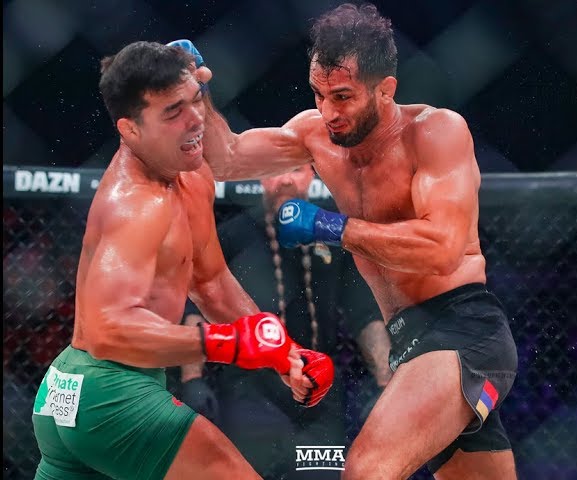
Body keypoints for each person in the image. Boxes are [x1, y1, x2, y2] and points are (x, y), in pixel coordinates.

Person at [175, 3, 519, 478]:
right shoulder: (314, 134)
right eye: (318, 94)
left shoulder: (435, 132)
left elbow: (442, 248)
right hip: (408, 337)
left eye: (342, 97)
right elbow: (226, 158)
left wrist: (330, 226)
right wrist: (197, 94)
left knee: (367, 470)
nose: (328, 112)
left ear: (385, 89)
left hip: (461, 330)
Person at [30, 41, 335, 480]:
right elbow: (106, 330)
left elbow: (211, 282)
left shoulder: (192, 177)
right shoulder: (135, 204)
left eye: (196, 100)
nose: (195, 119)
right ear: (130, 130)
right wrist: (223, 342)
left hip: (72, 392)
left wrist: (285, 355)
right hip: (111, 394)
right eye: (173, 112)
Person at [177, 164, 393, 479]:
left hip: (318, 384)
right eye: (276, 170)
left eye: (296, 170)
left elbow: (365, 314)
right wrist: (192, 378)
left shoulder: (331, 236)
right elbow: (198, 301)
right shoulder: (234, 234)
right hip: (250, 388)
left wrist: (385, 381)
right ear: (262, 178)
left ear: (312, 176)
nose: (287, 180)